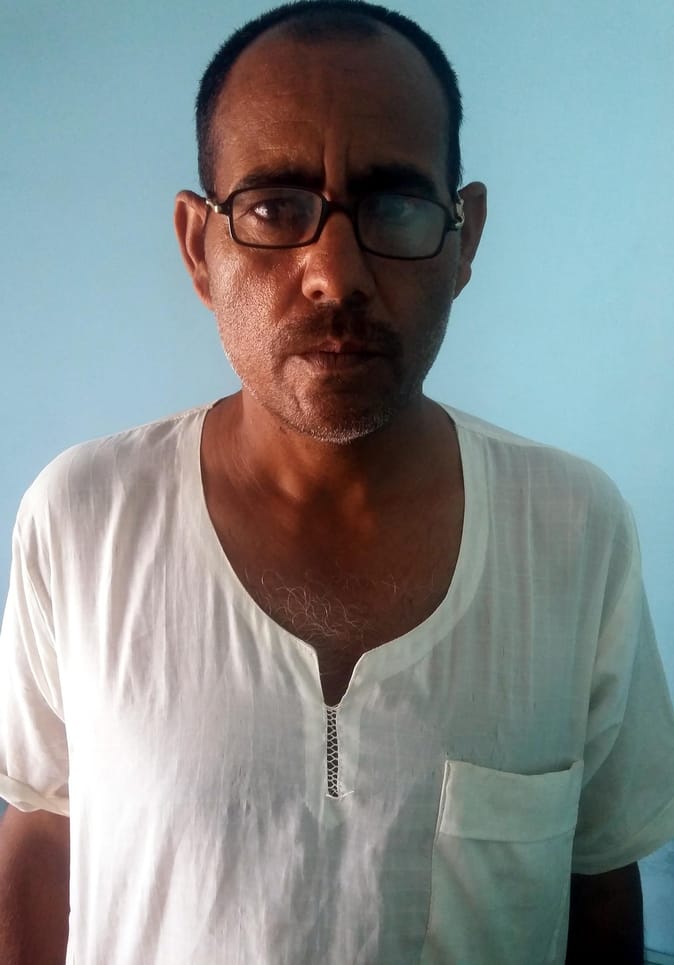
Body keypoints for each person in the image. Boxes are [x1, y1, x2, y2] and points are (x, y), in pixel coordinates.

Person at [1, 1, 673, 962]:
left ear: (465, 237)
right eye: (275, 207)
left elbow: (600, 874)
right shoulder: (82, 519)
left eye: (394, 205)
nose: (335, 273)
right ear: (198, 246)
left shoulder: (574, 531)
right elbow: (43, 830)